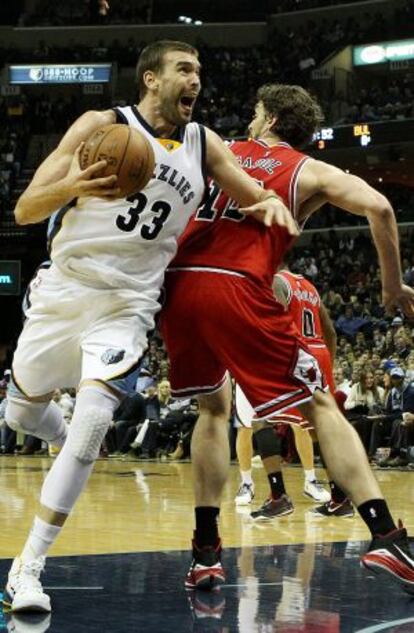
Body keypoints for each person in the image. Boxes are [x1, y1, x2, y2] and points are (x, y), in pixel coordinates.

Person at [3, 42, 296, 614]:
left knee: (93, 424)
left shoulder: (201, 142)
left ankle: (28, 567)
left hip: (129, 302)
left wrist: (273, 243)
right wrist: (75, 186)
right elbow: (25, 209)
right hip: (65, 289)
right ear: (151, 79)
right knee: (21, 414)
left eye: (201, 73)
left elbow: (254, 197)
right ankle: (57, 431)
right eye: (185, 70)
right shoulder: (101, 124)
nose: (197, 82)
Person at [160, 83, 414, 593]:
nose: (251, 120)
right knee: (321, 406)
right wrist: (392, 284)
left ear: (271, 119)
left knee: (213, 410)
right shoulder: (308, 170)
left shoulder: (219, 150)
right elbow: (381, 208)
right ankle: (387, 536)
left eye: (256, 113)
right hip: (234, 287)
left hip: (176, 284)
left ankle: (206, 553)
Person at [234, 270, 335, 514]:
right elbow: (329, 330)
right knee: (320, 426)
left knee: (259, 421)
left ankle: (280, 494)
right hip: (318, 354)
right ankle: (340, 496)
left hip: (285, 355)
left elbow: (274, 325)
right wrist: (329, 363)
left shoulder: (274, 281)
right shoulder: (309, 286)